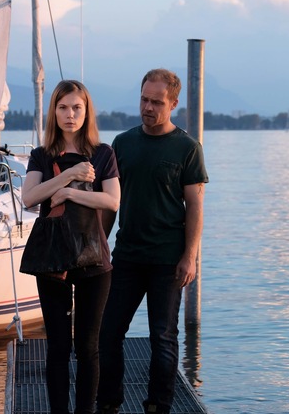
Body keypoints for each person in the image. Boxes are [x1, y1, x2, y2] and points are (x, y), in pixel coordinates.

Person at [95, 69, 208, 414]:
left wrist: (190, 257)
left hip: (167, 261)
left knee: (163, 337)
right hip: (126, 255)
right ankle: (109, 402)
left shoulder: (187, 148)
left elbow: (196, 207)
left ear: (173, 104)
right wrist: (99, 245)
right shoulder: (123, 143)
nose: (148, 107)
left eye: (156, 102)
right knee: (108, 332)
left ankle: (158, 405)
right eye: (144, 99)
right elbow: (112, 203)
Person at [22, 79, 121, 414]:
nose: (70, 114)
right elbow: (29, 199)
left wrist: (69, 193)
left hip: (94, 258)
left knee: (89, 346)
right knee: (58, 347)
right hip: (54, 260)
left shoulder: (103, 153)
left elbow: (112, 201)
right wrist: (69, 175)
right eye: (63, 107)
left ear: (86, 110)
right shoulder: (41, 155)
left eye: (77, 107)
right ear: (54, 111)